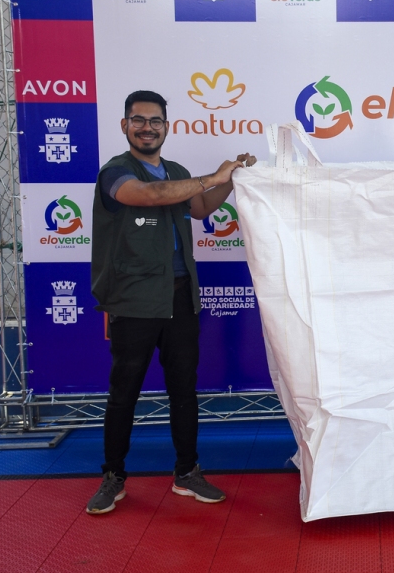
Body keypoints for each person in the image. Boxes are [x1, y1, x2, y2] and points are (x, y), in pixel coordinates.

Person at [86, 90, 256, 514]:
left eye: (155, 121)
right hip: (133, 299)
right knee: (124, 392)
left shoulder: (177, 171)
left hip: (180, 297)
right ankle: (113, 477)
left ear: (167, 126)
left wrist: (232, 177)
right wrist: (211, 177)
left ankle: (186, 473)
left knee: (184, 389)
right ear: (124, 126)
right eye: (139, 120)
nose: (147, 128)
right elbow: (147, 195)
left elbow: (200, 208)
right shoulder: (115, 173)